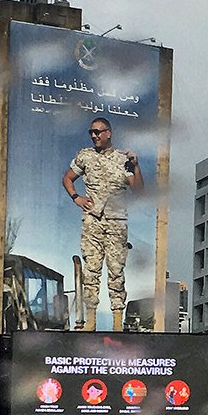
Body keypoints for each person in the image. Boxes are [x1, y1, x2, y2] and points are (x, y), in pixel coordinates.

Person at [62, 116, 143, 330]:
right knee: (91, 269)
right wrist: (76, 198)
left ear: (109, 133)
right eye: (92, 132)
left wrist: (135, 166)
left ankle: (117, 322)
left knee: (116, 270)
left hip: (116, 223)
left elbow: (139, 190)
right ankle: (91, 321)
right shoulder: (85, 156)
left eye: (98, 131)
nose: (94, 135)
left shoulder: (121, 158)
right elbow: (67, 178)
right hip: (92, 221)